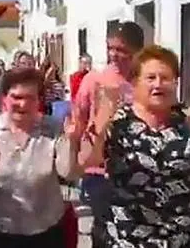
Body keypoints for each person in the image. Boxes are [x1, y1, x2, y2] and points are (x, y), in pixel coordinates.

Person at [85, 45, 190, 247]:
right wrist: (100, 125)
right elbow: (85, 163)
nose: (158, 84)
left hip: (182, 240)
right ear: (135, 82)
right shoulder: (117, 123)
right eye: (150, 78)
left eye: (166, 78)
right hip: (126, 240)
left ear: (176, 83)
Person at [0, 67, 83, 248]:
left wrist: (71, 141)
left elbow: (67, 173)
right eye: (16, 97)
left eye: (30, 98)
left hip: (47, 231)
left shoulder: (53, 128)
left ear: (39, 101)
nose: (23, 104)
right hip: (1, 233)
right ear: (5, 98)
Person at [73, 21, 145, 247]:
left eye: (121, 49)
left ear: (137, 51)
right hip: (100, 170)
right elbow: (79, 118)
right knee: (104, 231)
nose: (114, 54)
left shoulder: (144, 81)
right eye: (110, 48)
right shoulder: (94, 79)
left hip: (137, 166)